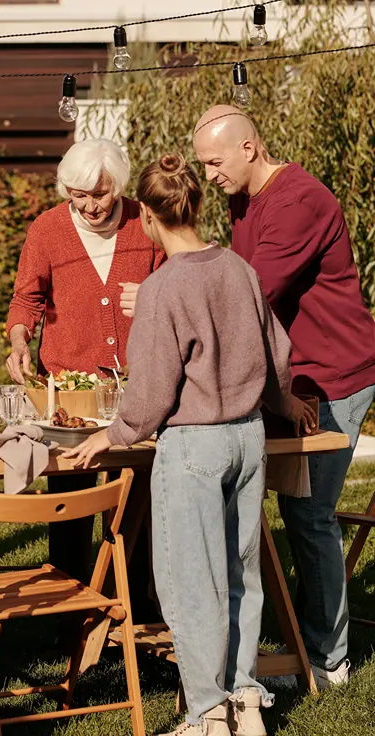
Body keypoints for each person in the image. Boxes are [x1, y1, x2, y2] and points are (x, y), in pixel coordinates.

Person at [64, 153, 314, 736]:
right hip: (248, 438)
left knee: (187, 582)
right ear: (195, 206)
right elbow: (277, 355)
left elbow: (151, 391)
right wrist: (285, 403)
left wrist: (114, 434)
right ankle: (245, 698)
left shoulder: (161, 288)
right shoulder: (240, 271)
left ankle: (207, 712)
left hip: (194, 446)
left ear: (147, 216)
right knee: (240, 573)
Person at [193, 106, 375, 688]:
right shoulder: (243, 199)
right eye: (202, 165)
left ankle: (330, 660)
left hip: (335, 374)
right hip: (293, 376)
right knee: (288, 506)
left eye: (214, 162)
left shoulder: (299, 202)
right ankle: (299, 637)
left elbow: (250, 293)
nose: (209, 174)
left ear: (249, 148)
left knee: (309, 511)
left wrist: (172, 297)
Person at [5, 138, 165, 584]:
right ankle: (68, 608)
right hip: (70, 399)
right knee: (71, 503)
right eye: (79, 195)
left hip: (136, 389)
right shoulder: (48, 229)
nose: (91, 206)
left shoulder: (144, 222)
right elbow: (26, 298)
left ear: (119, 185)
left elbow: (175, 285)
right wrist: (20, 339)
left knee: (137, 505)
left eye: (101, 193)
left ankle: (135, 607)